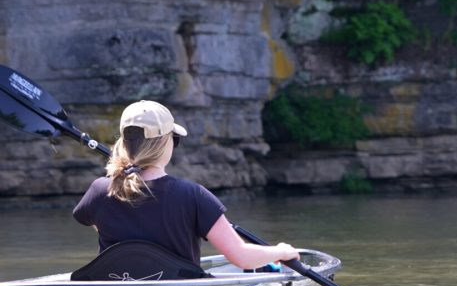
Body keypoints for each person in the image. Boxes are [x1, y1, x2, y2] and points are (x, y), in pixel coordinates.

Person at [73, 100, 299, 270]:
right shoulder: (193, 195)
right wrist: (281, 251)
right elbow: (240, 257)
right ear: (165, 142)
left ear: (123, 142)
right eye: (175, 138)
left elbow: (96, 222)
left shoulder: (99, 191)